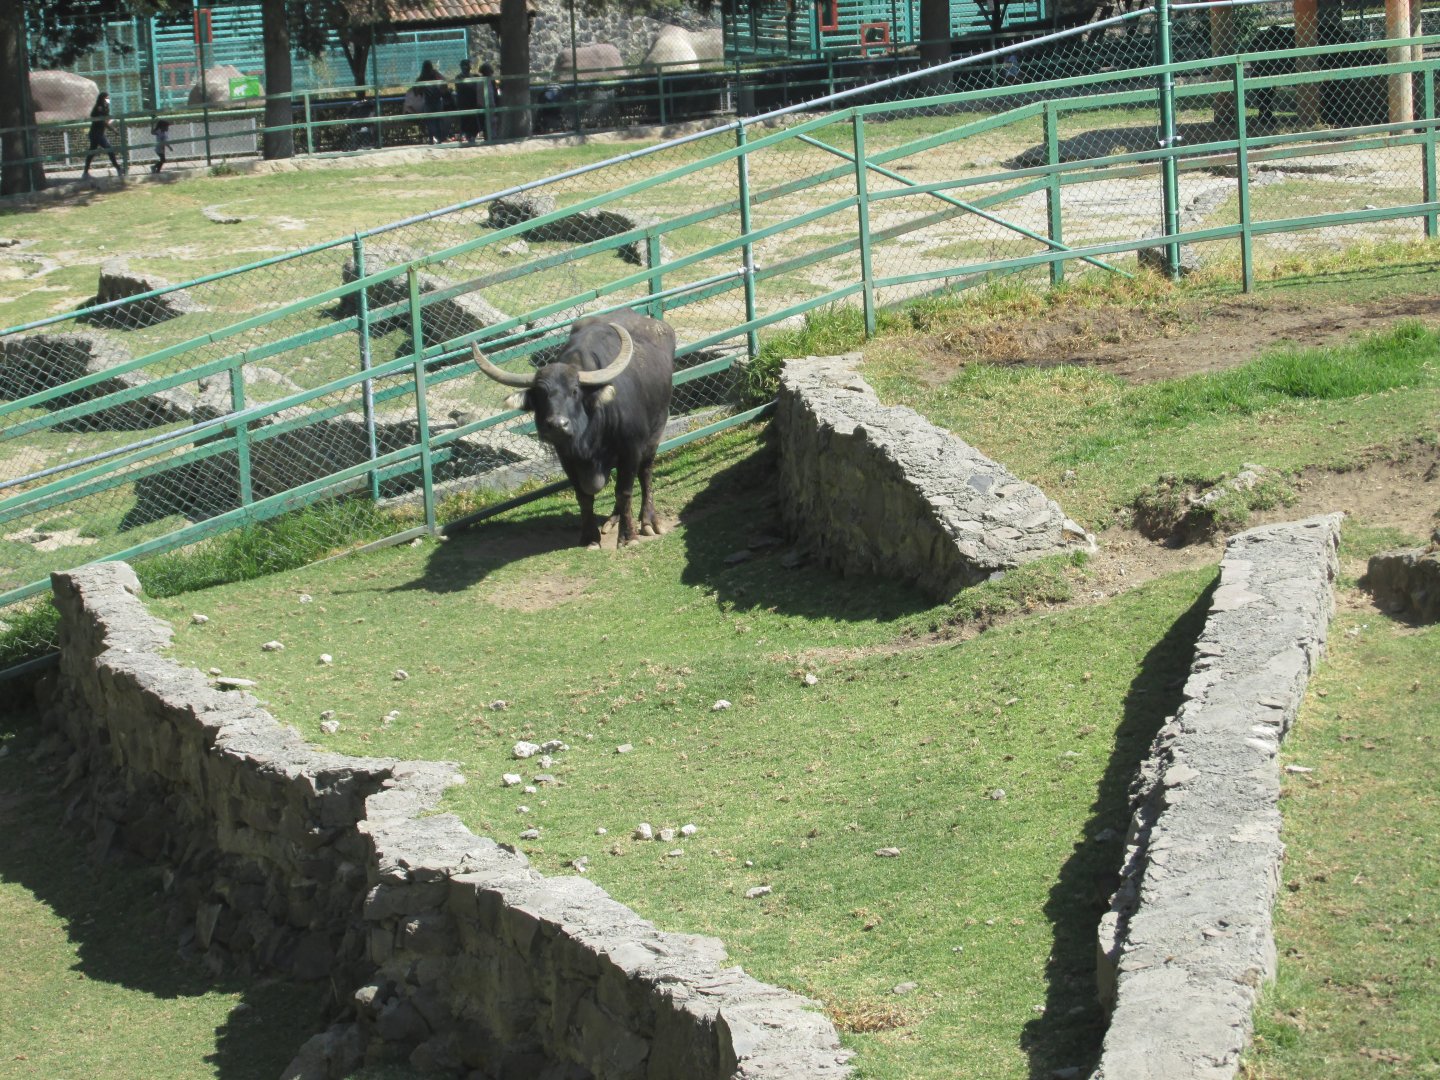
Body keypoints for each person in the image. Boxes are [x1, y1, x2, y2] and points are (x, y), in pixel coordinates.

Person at [81, 91, 124, 178]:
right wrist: (113, 130)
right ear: (102, 99)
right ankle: (118, 168)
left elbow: (106, 119)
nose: (108, 100)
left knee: (92, 152)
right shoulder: (98, 107)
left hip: (98, 133)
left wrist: (111, 119)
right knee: (109, 150)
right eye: (106, 98)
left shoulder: (105, 107)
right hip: (96, 134)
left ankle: (85, 173)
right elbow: (103, 122)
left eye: (108, 98)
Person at [414, 60, 449, 144]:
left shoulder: (433, 74)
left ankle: (436, 138)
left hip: (435, 101)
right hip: (430, 101)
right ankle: (434, 138)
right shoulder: (423, 76)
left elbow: (444, 82)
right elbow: (416, 90)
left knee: (434, 121)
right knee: (432, 121)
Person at [454, 59, 480, 146]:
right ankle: (467, 136)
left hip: (472, 102)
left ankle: (472, 136)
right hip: (463, 103)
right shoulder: (458, 78)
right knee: (464, 120)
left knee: (473, 120)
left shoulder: (474, 76)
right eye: (465, 66)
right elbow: (460, 88)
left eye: (468, 65)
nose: (467, 68)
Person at [479, 62, 500, 142]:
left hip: (487, 104)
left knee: (492, 120)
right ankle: (491, 137)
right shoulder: (484, 81)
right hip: (488, 104)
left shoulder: (491, 81)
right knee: (490, 121)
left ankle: (491, 136)